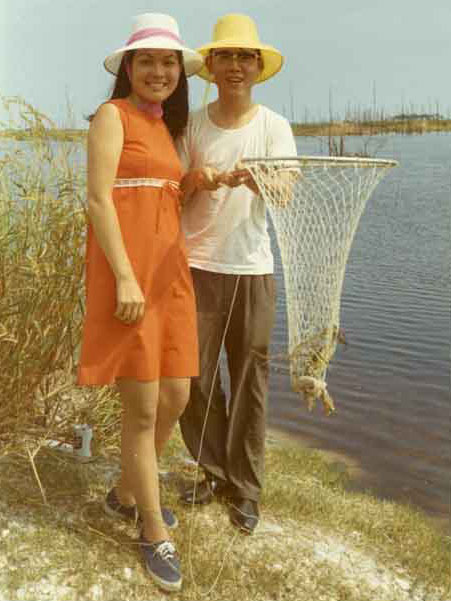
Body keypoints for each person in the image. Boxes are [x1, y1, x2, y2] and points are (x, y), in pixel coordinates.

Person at [77, 13, 203, 592]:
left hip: (170, 276)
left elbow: (163, 196)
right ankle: (152, 528)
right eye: (147, 60)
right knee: (144, 408)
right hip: (129, 279)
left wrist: (207, 180)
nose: (158, 70)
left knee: (177, 395)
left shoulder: (166, 129)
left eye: (168, 61)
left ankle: (127, 490)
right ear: (129, 68)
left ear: (180, 71)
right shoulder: (113, 116)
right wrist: (125, 277)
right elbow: (100, 202)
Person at [177, 14, 297, 534]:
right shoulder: (192, 125)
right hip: (195, 266)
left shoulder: (274, 126)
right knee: (192, 377)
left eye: (244, 57)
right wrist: (198, 179)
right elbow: (174, 193)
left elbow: (287, 194)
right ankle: (212, 471)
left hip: (252, 270)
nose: (234, 66)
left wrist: (261, 180)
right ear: (212, 66)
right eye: (224, 56)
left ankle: (245, 489)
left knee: (250, 379)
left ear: (257, 66)